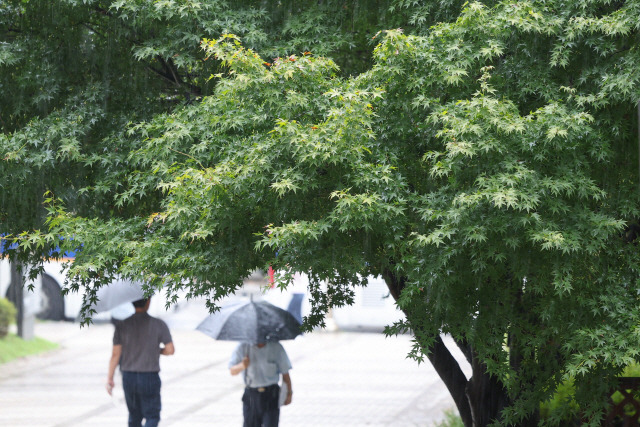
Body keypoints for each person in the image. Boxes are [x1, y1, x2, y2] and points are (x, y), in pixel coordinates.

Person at [106, 298, 174, 427]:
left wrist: (110, 378)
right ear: (148, 302)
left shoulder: (122, 325)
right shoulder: (158, 324)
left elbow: (115, 354)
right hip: (149, 376)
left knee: (134, 417)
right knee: (152, 416)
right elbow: (170, 350)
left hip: (128, 376)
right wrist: (156, 350)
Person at [229, 341, 293, 427]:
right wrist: (242, 365)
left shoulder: (276, 347)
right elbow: (232, 371)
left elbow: (285, 373)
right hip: (251, 395)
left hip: (271, 395)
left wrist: (289, 393)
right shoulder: (243, 347)